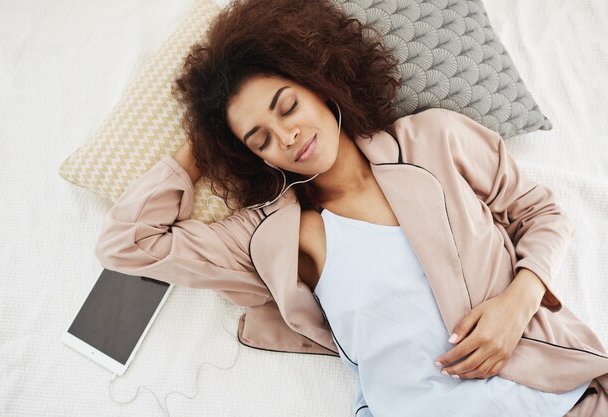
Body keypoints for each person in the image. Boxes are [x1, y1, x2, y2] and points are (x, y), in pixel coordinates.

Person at [95, 0, 608, 415]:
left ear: (318, 82)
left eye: (287, 105)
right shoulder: (272, 234)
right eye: (260, 139)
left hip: (551, 396)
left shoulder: (436, 138)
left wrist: (517, 304)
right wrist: (204, 142)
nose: (287, 135)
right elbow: (128, 243)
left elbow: (542, 214)